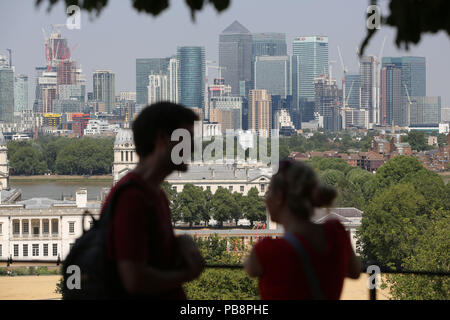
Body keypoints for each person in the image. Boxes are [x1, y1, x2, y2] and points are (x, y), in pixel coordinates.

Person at [103, 102, 205, 299]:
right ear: (161, 140)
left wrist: (182, 241)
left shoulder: (153, 193)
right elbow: (134, 279)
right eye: (185, 139)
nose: (192, 147)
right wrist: (188, 273)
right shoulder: (133, 198)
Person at [244, 159, 361, 300]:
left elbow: (250, 269)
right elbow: (354, 272)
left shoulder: (267, 250)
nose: (265, 199)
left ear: (279, 197)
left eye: (269, 192)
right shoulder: (336, 234)